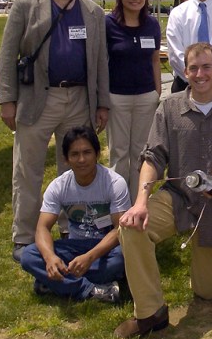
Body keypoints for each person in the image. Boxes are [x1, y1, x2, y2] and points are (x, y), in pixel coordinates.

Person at [114, 42, 212, 339]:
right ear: (185, 71)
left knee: (207, 293)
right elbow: (152, 156)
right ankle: (150, 312)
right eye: (193, 68)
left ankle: (208, 270)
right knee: (132, 227)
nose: (200, 74)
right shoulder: (169, 108)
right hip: (178, 198)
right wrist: (141, 201)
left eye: (207, 66)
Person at [0, 0, 110, 262]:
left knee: (77, 169)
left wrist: (102, 103)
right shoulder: (25, 5)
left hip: (78, 99)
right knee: (27, 169)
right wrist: (7, 99)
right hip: (37, 98)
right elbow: (7, 55)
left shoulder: (92, 11)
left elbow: (100, 61)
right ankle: (24, 236)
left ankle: (70, 228)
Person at [20, 126, 130, 302]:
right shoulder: (58, 186)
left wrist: (89, 257)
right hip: (73, 246)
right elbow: (42, 228)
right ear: (65, 159)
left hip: (106, 248)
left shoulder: (115, 183)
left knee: (121, 259)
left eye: (87, 152)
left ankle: (53, 282)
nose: (81, 159)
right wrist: (50, 258)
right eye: (75, 154)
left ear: (97, 154)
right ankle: (91, 290)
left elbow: (119, 229)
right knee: (28, 255)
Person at [106, 0, 161, 200]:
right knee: (119, 153)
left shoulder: (152, 24)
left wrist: (157, 92)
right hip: (117, 97)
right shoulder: (108, 24)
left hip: (146, 97)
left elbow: (155, 60)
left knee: (140, 152)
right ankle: (118, 203)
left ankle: (137, 201)